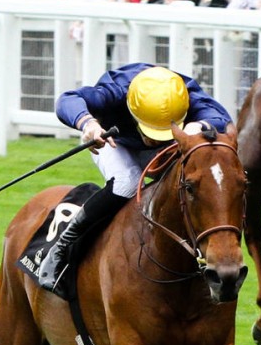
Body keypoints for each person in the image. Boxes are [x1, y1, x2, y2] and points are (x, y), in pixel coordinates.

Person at [36, 64, 232, 296]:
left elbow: (223, 119)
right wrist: (87, 123)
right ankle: (61, 249)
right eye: (149, 130)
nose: (153, 139)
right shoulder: (117, 91)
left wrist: (198, 125)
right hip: (115, 143)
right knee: (127, 182)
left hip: (172, 145)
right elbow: (67, 99)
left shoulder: (187, 96)